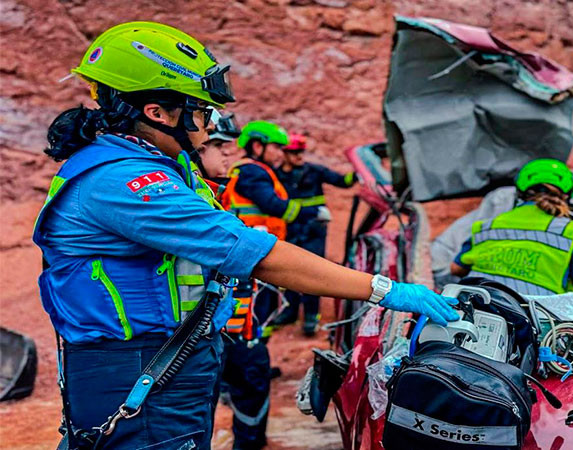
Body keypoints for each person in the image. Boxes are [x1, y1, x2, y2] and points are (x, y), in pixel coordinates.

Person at [34, 21, 458, 450]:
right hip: (139, 369)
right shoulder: (123, 182)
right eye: (200, 111)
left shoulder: (153, 168)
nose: (208, 124)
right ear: (157, 113)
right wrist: (386, 290)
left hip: (166, 362)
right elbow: (253, 252)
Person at [202, 113, 274, 450]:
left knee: (252, 384)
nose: (226, 152)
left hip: (239, 328)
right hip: (205, 339)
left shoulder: (214, 197)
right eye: (216, 145)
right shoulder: (187, 205)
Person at [451, 159, 573, 294]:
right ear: (567, 195)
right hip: (536, 311)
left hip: (475, 303)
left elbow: (456, 268)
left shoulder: (487, 226)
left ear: (520, 193)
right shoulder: (571, 232)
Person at [273, 133, 357, 335]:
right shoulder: (275, 175)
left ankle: (311, 317)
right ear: (284, 153)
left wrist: (358, 171)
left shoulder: (315, 171)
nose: (299, 156)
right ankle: (290, 312)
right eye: (294, 152)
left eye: (301, 152)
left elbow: (343, 181)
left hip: (314, 230)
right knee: (288, 270)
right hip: (291, 229)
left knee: (312, 271)